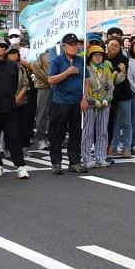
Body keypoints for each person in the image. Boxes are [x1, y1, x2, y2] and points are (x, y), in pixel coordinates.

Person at [0, 35, 30, 179]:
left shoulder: (14, 66)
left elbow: (22, 84)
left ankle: (20, 166)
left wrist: (18, 97)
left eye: (2, 46)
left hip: (10, 108)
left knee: (14, 138)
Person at [47, 33, 87, 175]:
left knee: (76, 133)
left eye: (76, 44)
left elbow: (86, 80)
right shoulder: (57, 61)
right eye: (71, 44)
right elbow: (51, 80)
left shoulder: (81, 60)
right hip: (61, 101)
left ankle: (75, 162)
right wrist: (67, 72)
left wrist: (85, 97)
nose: (75, 47)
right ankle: (56, 163)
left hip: (77, 101)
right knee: (58, 133)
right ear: (64, 46)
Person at [82, 44, 118, 168]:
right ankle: (86, 159)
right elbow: (83, 89)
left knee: (103, 131)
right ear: (90, 57)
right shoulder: (85, 70)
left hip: (104, 104)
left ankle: (101, 157)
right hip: (90, 104)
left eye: (100, 55)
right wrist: (92, 100)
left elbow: (111, 88)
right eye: (95, 55)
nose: (98, 57)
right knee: (88, 132)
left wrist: (106, 99)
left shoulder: (106, 70)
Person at [105, 38, 132, 158]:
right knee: (112, 122)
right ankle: (112, 146)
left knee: (126, 122)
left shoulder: (123, 59)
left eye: (117, 45)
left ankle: (127, 147)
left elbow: (119, 77)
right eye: (111, 45)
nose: (114, 47)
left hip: (123, 93)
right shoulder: (103, 58)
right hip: (109, 95)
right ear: (107, 45)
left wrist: (120, 73)